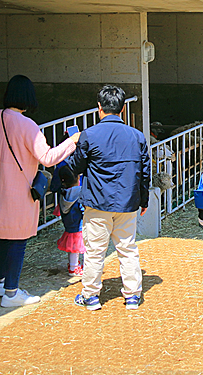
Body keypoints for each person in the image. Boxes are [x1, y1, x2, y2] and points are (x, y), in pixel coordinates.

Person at [0, 75, 79, 307]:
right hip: (19, 190)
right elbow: (47, 158)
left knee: (2, 237)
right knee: (18, 238)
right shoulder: (28, 125)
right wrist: (72, 142)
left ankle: (0, 282)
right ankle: (11, 293)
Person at [66, 85, 151, 311]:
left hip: (97, 203)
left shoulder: (89, 135)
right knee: (127, 248)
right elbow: (145, 172)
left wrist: (73, 145)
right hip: (127, 203)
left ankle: (91, 296)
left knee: (95, 251)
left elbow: (75, 167)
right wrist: (144, 201)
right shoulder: (137, 137)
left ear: (99, 108)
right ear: (122, 109)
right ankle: (132, 295)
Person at [53, 166, 85, 276]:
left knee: (72, 248)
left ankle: (72, 265)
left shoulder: (63, 193)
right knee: (78, 248)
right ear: (78, 178)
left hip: (68, 225)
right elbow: (83, 210)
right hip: (78, 225)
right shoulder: (79, 193)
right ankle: (74, 268)